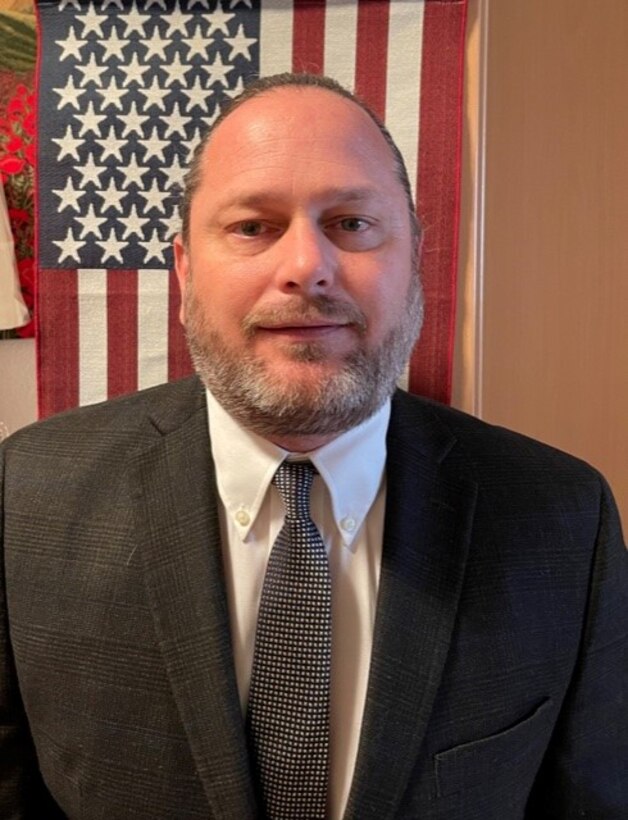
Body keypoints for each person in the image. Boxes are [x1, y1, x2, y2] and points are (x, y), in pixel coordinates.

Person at [0, 73, 626, 820]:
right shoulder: (24, 495)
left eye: (353, 223)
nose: (306, 266)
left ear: (415, 255)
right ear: (185, 268)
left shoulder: (561, 518)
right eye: (252, 227)